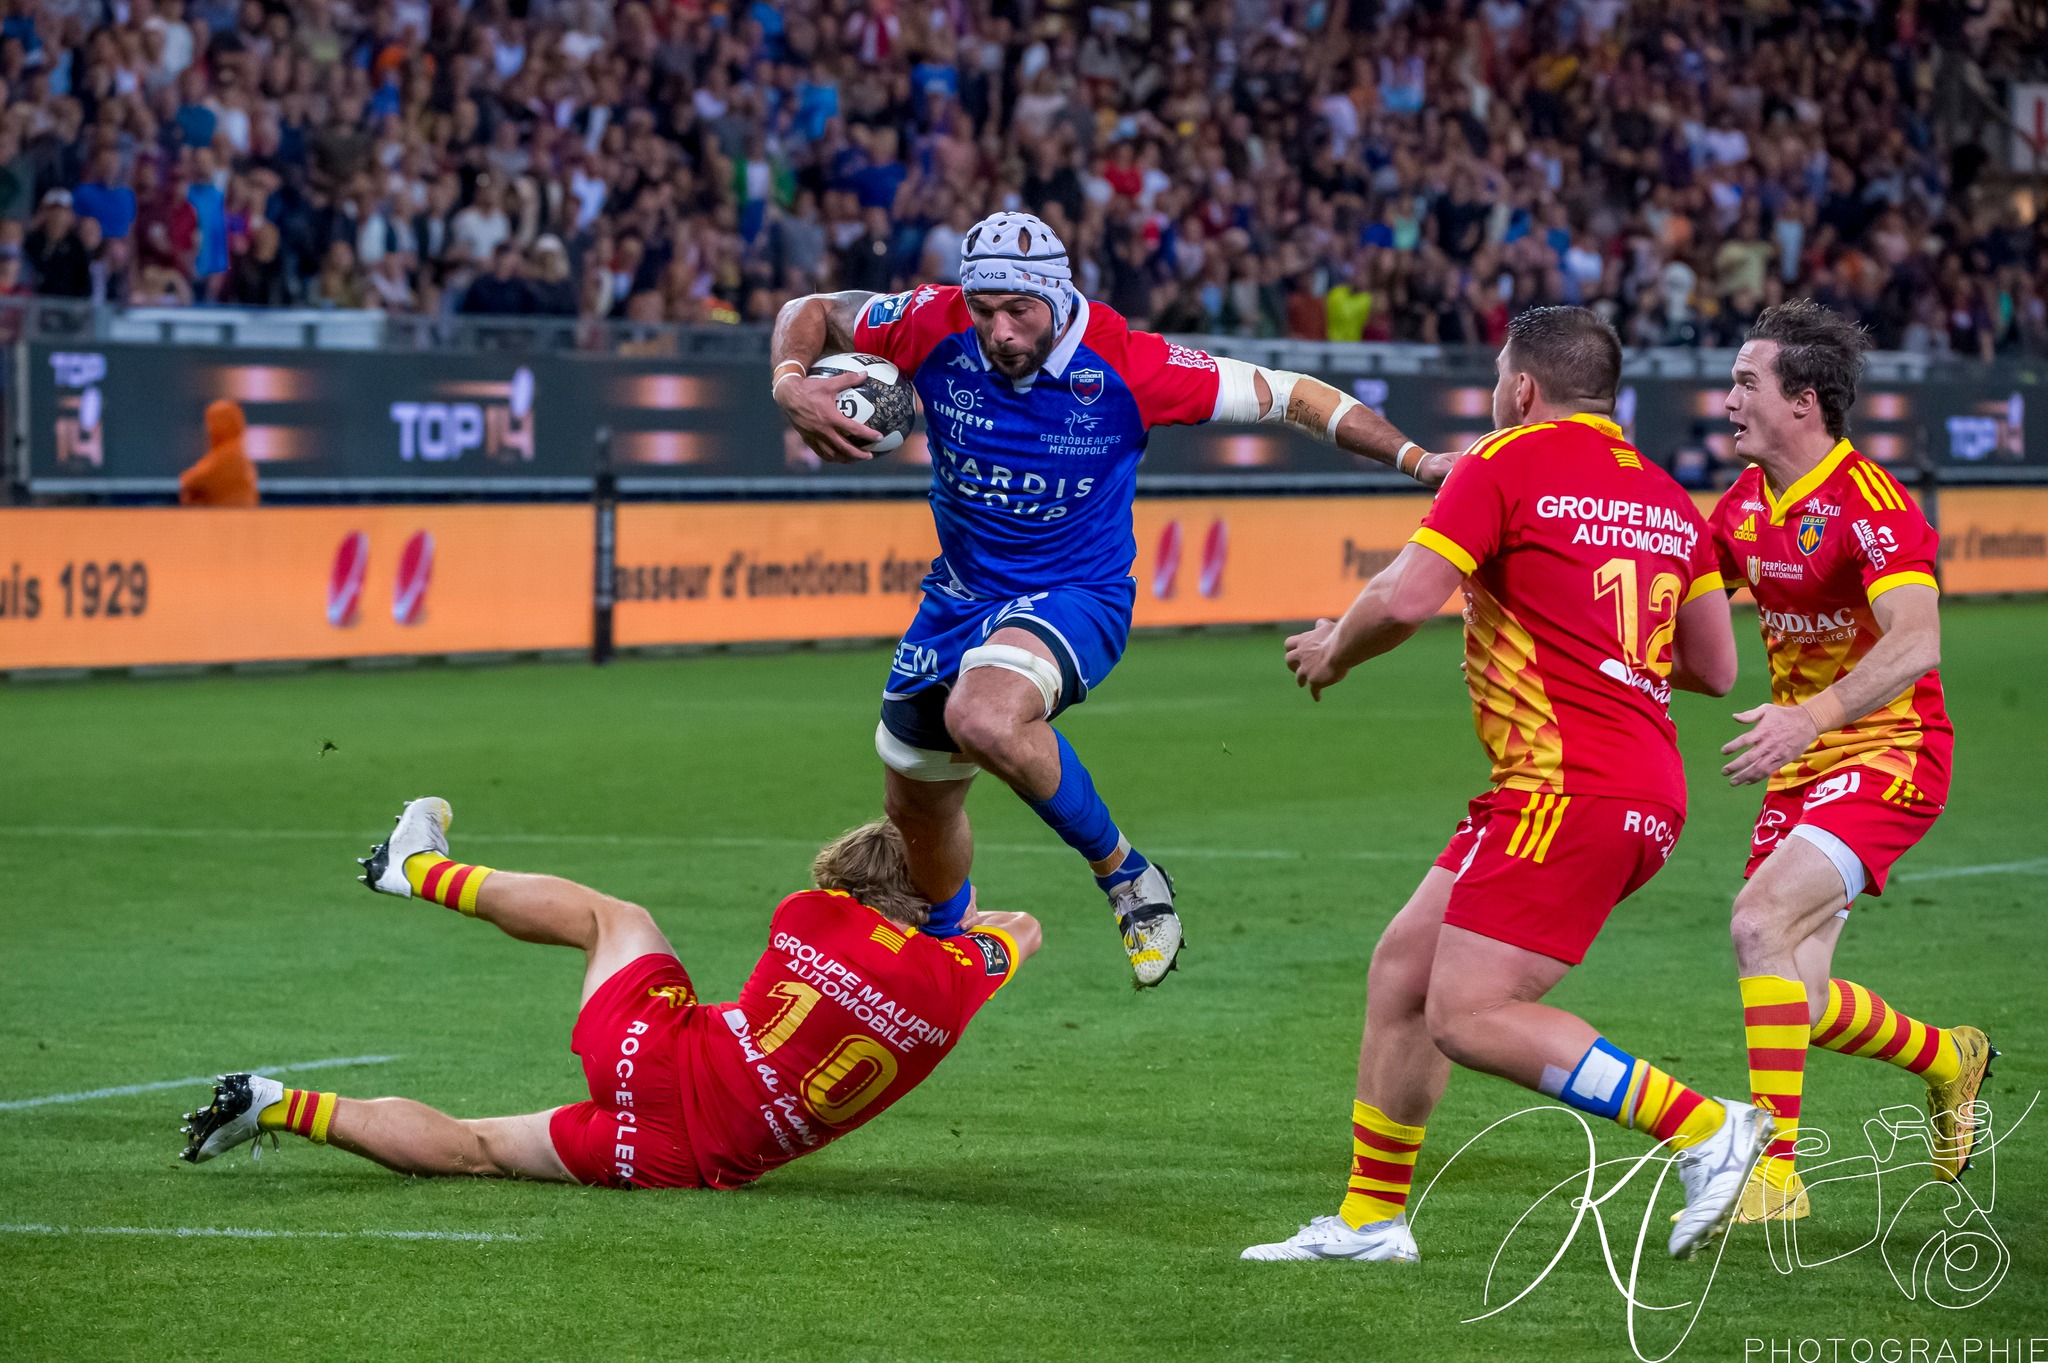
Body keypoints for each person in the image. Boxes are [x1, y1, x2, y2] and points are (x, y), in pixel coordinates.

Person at [769, 211, 1455, 985]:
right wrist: (790, 383)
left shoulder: (1126, 362)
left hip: (1076, 594)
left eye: (1017, 310)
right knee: (917, 801)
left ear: (1059, 295)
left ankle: (1128, 875)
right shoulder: (931, 319)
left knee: (982, 714)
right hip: (957, 597)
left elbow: (1291, 394)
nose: (997, 330)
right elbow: (816, 312)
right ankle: (953, 952)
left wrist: (1416, 458)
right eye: (982, 308)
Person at [1243, 306, 1769, 1265]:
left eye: (1499, 378)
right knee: (1405, 970)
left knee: (1468, 1014)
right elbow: (1716, 667)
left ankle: (1706, 1128)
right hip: (1633, 784)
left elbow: (1405, 596)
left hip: (1565, 787)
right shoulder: (1664, 496)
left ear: (1522, 388)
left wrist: (1333, 650)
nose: (1495, 394)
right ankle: (1370, 1220)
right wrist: (1590, 644)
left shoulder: (1504, 459)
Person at [180, 799, 1040, 1188]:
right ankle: (276, 1104)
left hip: (659, 1052)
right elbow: (1024, 926)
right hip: (687, 1160)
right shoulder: (954, 983)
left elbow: (862, 912)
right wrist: (953, 917)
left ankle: (421, 867)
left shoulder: (809, 913)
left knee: (609, 916)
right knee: (478, 1147)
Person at [1705, 300, 1991, 1223]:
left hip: (1891, 750)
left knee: (1756, 924)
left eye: (1747, 381)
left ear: (1806, 402)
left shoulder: (1872, 504)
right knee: (1802, 989)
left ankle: (1775, 1175)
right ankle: (1951, 1059)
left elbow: (1917, 641)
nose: (1728, 398)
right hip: (1807, 757)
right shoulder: (1746, 505)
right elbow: (1681, 601)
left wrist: (1808, 717)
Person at [179, 398, 258, 506]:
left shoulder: (232, 455)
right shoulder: (222, 453)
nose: (209, 430)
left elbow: (191, 480)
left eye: (213, 422)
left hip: (232, 517)